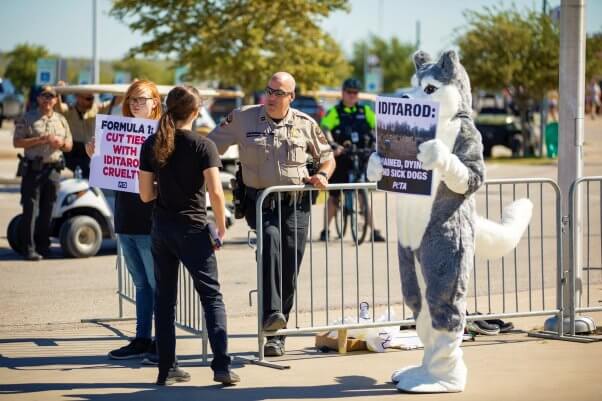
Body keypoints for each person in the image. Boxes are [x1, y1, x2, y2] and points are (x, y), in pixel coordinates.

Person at [208, 72, 335, 357]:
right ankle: (273, 318)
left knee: (289, 264)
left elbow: (328, 157)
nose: (272, 97)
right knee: (270, 244)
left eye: (279, 93)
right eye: (269, 91)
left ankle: (277, 332)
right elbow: (208, 146)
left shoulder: (305, 123)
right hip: (261, 202)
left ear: (291, 96)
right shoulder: (243, 118)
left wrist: (324, 174)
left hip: (297, 203)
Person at [139, 86, 239, 385]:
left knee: (165, 301)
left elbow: (145, 195)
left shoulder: (152, 143)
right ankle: (221, 366)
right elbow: (216, 192)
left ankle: (167, 368)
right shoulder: (202, 145)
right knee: (211, 298)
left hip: (162, 229)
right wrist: (220, 226)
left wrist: (166, 189)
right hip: (193, 229)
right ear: (196, 111)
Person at [85, 80, 161, 362]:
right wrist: (96, 155)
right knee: (141, 284)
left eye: (141, 99)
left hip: (150, 221)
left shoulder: (163, 134)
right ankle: (143, 338)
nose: (135, 104)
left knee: (157, 284)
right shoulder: (116, 130)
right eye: (131, 99)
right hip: (126, 219)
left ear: (155, 101)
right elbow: (107, 173)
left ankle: (162, 341)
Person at [319, 78, 385, 242]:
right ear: (343, 93)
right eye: (349, 92)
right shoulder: (335, 111)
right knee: (334, 196)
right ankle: (325, 230)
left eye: (355, 93)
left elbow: (378, 126)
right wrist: (333, 144)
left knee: (363, 196)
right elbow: (325, 128)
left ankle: (374, 231)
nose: (352, 96)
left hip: (360, 156)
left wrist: (379, 142)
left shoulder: (365, 111)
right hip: (341, 158)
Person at [13, 85, 73, 261]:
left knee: (48, 209)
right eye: (44, 96)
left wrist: (59, 143)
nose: (48, 99)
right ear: (38, 98)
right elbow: (17, 142)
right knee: (30, 210)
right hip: (34, 169)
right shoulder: (28, 118)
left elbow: (69, 145)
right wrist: (40, 140)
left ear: (56, 99)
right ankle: (28, 248)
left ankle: (43, 246)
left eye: (51, 96)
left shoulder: (61, 119)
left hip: (53, 169)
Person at [56, 81, 121, 178]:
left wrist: (128, 89)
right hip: (71, 152)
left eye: (92, 98)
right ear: (78, 98)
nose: (91, 101)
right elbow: (58, 107)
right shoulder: (69, 110)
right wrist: (59, 91)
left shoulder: (97, 109)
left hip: (88, 151)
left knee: (88, 181)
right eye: (88, 98)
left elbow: (115, 102)